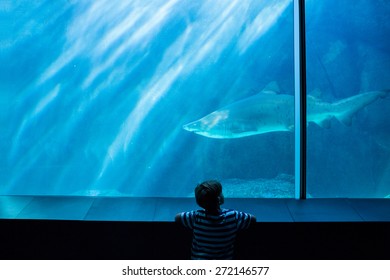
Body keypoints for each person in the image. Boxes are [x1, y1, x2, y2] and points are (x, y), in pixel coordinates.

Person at [175, 180, 256, 260]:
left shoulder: (196, 217)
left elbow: (177, 217)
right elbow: (252, 218)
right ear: (219, 199)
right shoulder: (232, 216)